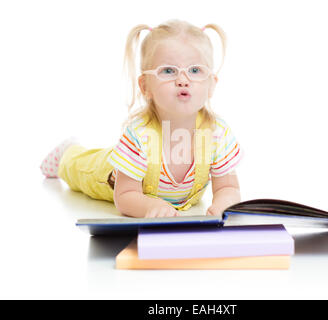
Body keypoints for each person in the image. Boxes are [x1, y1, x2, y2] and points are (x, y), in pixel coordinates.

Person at [40, 19, 244, 218]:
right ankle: (67, 153)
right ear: (145, 85)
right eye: (168, 71)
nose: (183, 80)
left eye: (195, 70)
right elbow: (126, 196)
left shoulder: (217, 133)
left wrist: (224, 204)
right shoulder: (139, 134)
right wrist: (149, 206)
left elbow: (228, 186)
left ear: (212, 84)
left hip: (171, 196)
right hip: (108, 176)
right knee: (80, 168)